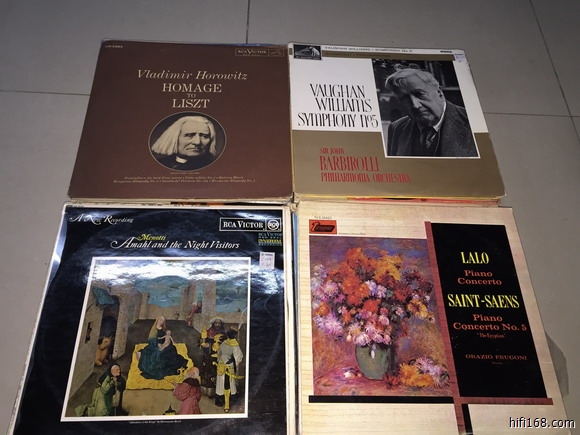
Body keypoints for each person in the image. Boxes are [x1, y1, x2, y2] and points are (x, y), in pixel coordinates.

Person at [385, 68, 478, 157]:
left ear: (440, 93)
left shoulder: (472, 122)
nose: (415, 105)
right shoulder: (396, 128)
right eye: (404, 98)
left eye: (419, 94)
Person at [151, 115, 220, 170]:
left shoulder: (214, 167)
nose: (197, 142)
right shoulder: (158, 164)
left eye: (204, 136)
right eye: (189, 135)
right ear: (174, 138)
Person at [137, 316, 188, 380]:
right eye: (160, 320)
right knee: (152, 353)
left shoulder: (163, 329)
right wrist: (157, 344)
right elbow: (151, 339)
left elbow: (165, 338)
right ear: (157, 320)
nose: (161, 322)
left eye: (163, 321)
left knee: (169, 350)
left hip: (164, 343)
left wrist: (165, 343)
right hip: (155, 345)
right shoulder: (154, 329)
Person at [214, 327, 244, 413]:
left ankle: (227, 403)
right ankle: (221, 400)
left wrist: (232, 360)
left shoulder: (235, 345)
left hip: (228, 366)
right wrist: (219, 360)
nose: (229, 335)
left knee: (227, 383)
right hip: (221, 365)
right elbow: (219, 352)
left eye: (230, 334)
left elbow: (239, 356)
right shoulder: (224, 342)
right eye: (228, 334)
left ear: (233, 335)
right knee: (221, 383)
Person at [198, 317, 226, 396]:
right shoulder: (208, 331)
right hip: (207, 355)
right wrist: (202, 342)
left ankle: (215, 392)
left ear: (221, 324)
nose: (217, 325)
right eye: (216, 323)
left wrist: (210, 345)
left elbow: (223, 345)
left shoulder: (223, 334)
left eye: (219, 323)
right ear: (213, 324)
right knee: (206, 371)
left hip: (217, 356)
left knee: (215, 373)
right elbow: (201, 341)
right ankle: (205, 390)